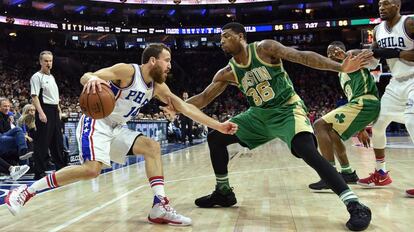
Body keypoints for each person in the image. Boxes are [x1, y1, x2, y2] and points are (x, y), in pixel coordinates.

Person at [164, 22, 373, 231]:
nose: (222, 41)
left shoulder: (265, 48)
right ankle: (224, 192)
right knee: (216, 138)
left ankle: (354, 204)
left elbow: (302, 56)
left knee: (306, 150)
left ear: (241, 36)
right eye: (220, 39)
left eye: (226, 36)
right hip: (259, 115)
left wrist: (339, 66)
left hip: (287, 109)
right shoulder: (227, 72)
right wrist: (177, 107)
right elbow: (204, 97)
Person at [5, 43, 238, 226]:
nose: (169, 66)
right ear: (153, 60)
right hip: (96, 122)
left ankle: (160, 206)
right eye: (167, 61)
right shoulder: (128, 71)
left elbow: (186, 107)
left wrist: (218, 125)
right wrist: (93, 79)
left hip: (117, 128)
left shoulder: (158, 87)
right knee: (91, 170)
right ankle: (25, 192)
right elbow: (87, 76)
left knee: (152, 147)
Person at [356, 0, 414, 196]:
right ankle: (381, 173)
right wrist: (359, 58)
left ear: (397, 5)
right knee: (378, 124)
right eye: (380, 3)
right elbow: (374, 59)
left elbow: (397, 53)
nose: (381, 7)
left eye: (387, 3)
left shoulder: (409, 23)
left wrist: (397, 53)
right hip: (396, 83)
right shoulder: (378, 29)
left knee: (412, 122)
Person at [308, 41, 381, 191]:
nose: (330, 55)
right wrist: (361, 130)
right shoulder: (341, 72)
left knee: (319, 125)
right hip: (360, 105)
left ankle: (329, 176)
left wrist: (347, 54)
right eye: (328, 54)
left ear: (340, 50)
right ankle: (347, 173)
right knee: (332, 133)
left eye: (333, 51)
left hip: (366, 101)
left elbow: (363, 53)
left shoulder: (352, 57)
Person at [30, 51, 67, 179]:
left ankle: (61, 168)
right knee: (42, 142)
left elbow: (55, 98)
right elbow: (34, 97)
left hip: (54, 110)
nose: (48, 63)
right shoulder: (36, 76)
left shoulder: (52, 77)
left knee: (57, 140)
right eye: (46, 61)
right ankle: (39, 171)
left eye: (50, 61)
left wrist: (59, 110)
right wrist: (40, 113)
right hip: (44, 109)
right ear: (40, 62)